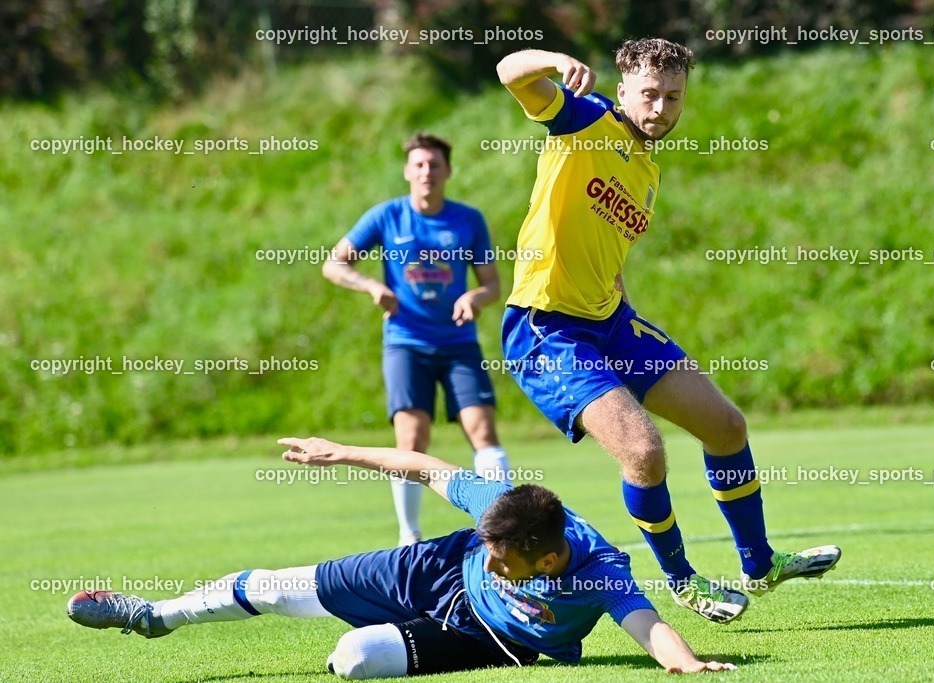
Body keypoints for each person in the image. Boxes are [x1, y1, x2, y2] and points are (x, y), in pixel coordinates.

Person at [495, 39, 841, 623]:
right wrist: (555, 62)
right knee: (644, 452)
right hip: (547, 329)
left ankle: (759, 565)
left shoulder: (646, 169)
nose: (659, 107)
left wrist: (620, 308)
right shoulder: (587, 119)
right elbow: (509, 72)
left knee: (726, 426)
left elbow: (604, 249)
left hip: (612, 323)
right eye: (649, 94)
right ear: (624, 89)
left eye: (673, 97)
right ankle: (684, 581)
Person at [67, 436, 738, 677]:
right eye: (491, 542)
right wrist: (341, 453)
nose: (494, 556)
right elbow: (422, 466)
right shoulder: (504, 511)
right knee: (276, 584)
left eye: (502, 556)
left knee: (353, 659)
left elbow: (647, 626)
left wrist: (688, 663)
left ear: (546, 557)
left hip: (488, 637)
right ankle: (155, 614)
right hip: (434, 568)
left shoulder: (598, 569)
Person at [322, 133, 510, 545]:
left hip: (459, 343)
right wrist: (370, 286)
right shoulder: (386, 217)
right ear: (408, 171)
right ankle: (410, 538)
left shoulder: (468, 220)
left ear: (448, 171)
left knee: (482, 431)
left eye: (435, 165)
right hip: (405, 342)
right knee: (411, 439)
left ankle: (508, 529)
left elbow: (493, 284)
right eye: (419, 165)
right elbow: (334, 264)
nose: (427, 172)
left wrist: (475, 296)